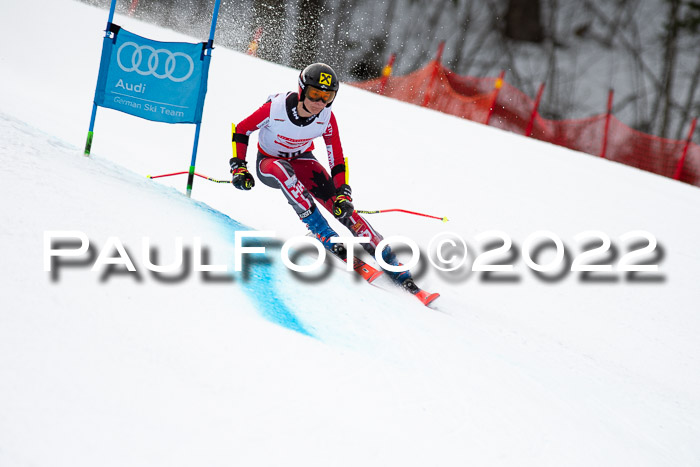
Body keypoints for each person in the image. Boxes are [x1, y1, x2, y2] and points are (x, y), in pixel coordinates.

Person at [229, 63, 415, 290]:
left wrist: (343, 193)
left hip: (303, 161)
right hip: (269, 163)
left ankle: (388, 258)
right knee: (282, 170)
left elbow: (336, 158)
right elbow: (241, 129)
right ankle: (322, 231)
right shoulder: (275, 109)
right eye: (315, 94)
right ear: (301, 90)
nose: (319, 103)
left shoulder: (326, 117)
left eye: (326, 97)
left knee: (342, 208)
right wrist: (239, 166)